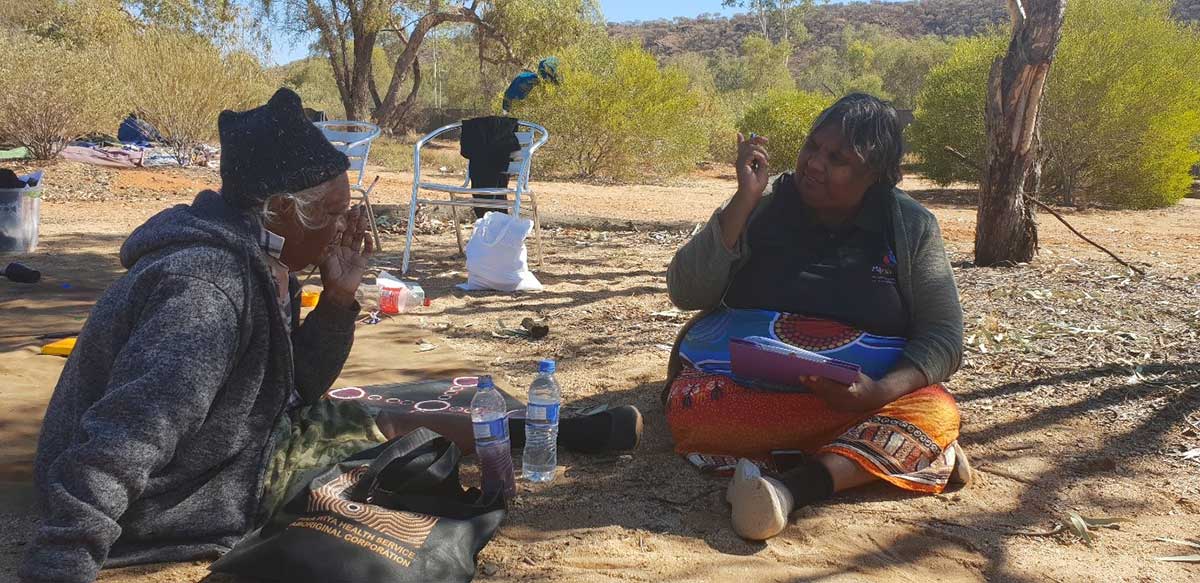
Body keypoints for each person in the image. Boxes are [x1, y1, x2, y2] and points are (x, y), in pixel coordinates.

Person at [20, 88, 386, 582]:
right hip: (161, 496)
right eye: (335, 213)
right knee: (394, 443)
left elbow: (297, 388)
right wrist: (61, 563)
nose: (344, 228)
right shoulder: (206, 290)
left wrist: (337, 301)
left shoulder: (271, 264)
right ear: (280, 210)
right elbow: (127, 435)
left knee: (388, 425)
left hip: (212, 460)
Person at [663, 93, 969, 541]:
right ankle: (891, 455)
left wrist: (879, 392)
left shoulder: (909, 225)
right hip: (750, 386)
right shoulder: (762, 205)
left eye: (838, 158)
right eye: (813, 146)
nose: (815, 164)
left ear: (876, 175)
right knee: (692, 406)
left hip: (865, 393)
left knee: (935, 410)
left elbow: (944, 335)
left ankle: (790, 489)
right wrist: (741, 202)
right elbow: (685, 291)